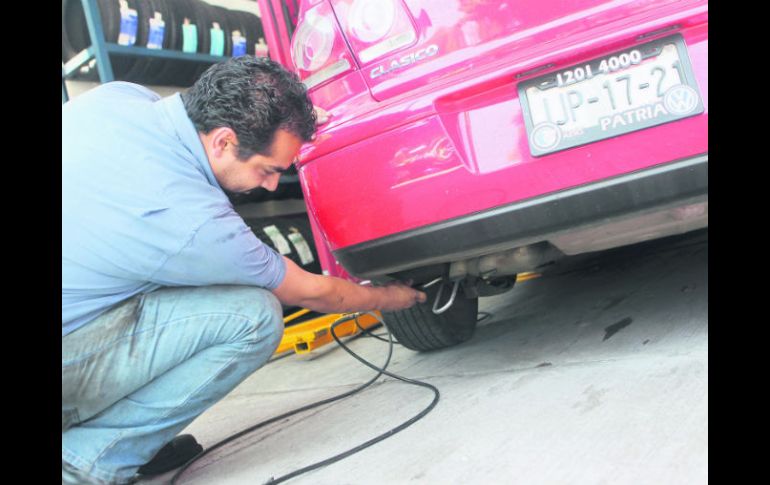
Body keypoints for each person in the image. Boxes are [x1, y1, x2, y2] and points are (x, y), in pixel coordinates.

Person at [62, 55, 426, 485]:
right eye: (268, 170)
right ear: (223, 142)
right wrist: (394, 297)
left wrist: (294, 115)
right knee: (252, 317)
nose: (272, 184)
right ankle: (85, 462)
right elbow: (313, 293)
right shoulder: (196, 222)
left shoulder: (115, 99)